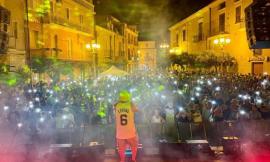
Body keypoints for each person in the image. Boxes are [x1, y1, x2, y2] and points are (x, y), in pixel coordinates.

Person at [114, 90, 139, 162]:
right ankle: (133, 159)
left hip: (120, 133)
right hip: (130, 132)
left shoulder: (116, 105)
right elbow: (137, 110)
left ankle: (122, 160)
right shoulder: (131, 104)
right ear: (128, 97)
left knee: (121, 149)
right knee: (134, 145)